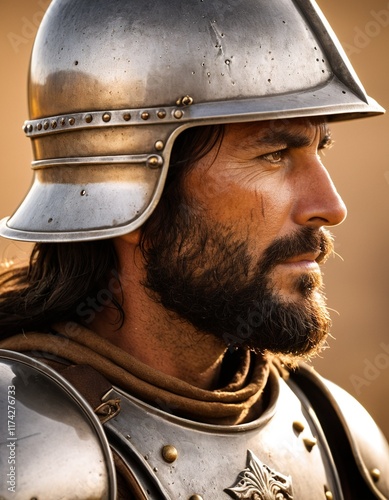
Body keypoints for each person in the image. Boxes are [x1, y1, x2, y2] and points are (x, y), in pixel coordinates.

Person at [0, 0, 388, 498]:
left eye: (319, 149)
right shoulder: (29, 448)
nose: (330, 207)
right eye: (273, 155)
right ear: (131, 199)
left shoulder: (337, 435)